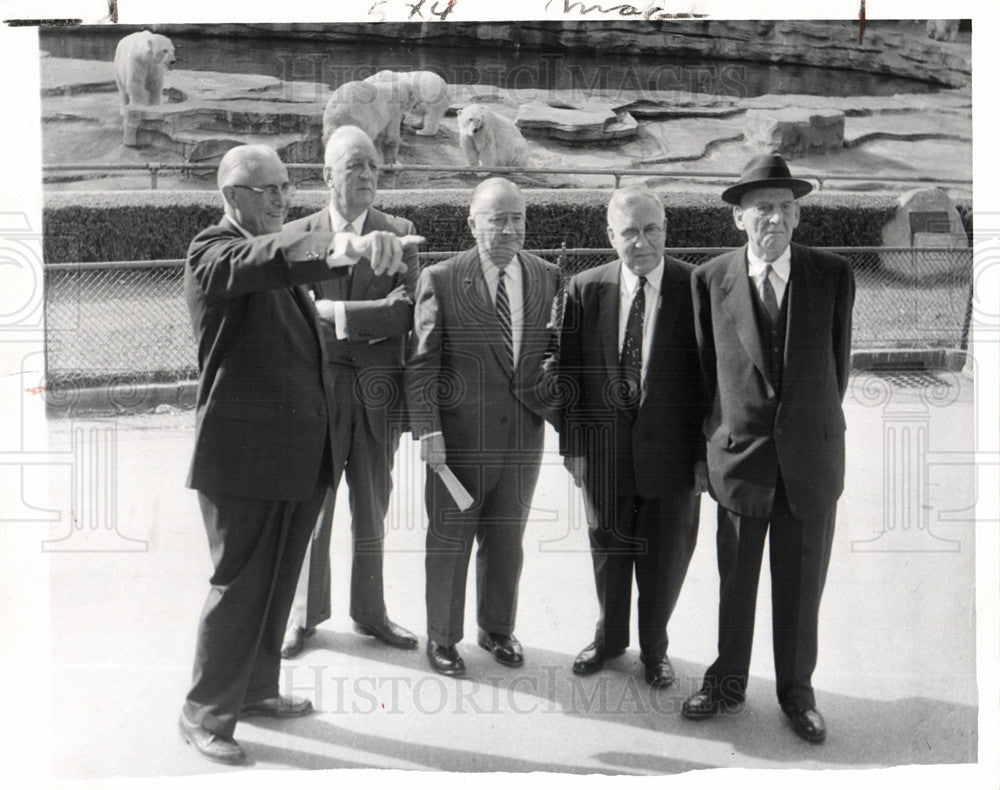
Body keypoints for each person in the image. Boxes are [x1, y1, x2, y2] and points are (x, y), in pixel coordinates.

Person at [179, 143, 419, 765]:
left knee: (278, 581)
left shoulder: (269, 251)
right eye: (269, 190)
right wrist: (349, 247)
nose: (284, 200)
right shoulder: (214, 250)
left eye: (287, 187)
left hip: (292, 455)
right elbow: (265, 260)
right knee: (238, 586)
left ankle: (256, 690)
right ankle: (203, 712)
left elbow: (285, 276)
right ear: (233, 196)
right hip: (242, 459)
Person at [683, 154, 855, 744]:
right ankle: (726, 683)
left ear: (799, 216)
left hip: (810, 463)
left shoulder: (832, 275)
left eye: (785, 207)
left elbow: (839, 368)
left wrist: (809, 431)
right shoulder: (709, 280)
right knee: (736, 584)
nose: (773, 219)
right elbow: (704, 376)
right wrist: (710, 453)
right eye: (761, 208)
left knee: (802, 587)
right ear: (739, 218)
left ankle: (796, 693)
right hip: (739, 460)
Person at [405, 177, 561, 677]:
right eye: (497, 219)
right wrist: (428, 431)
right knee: (449, 537)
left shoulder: (545, 275)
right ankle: (443, 637)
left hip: (522, 438)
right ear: (472, 224)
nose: (509, 229)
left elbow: (554, 349)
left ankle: (497, 629)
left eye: (518, 219)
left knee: (505, 537)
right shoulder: (444, 278)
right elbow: (423, 363)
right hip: (458, 442)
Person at [559, 187, 708, 688]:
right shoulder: (585, 288)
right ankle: (609, 639)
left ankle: (655, 649)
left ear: (665, 231)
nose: (641, 243)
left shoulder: (696, 286)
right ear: (610, 236)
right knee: (608, 552)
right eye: (629, 232)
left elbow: (711, 381)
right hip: (603, 455)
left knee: (664, 559)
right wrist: (573, 448)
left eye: (651, 231)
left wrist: (704, 459)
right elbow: (569, 374)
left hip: (673, 457)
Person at [280, 126, 419, 659]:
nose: (366, 175)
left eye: (374, 168)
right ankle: (303, 616)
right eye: (354, 166)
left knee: (371, 506)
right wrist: (369, 321)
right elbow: (293, 318)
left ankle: (371, 612)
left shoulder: (401, 231)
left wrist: (333, 313)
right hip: (316, 394)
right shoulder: (298, 236)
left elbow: (406, 310)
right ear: (326, 175)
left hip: (379, 394)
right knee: (313, 507)